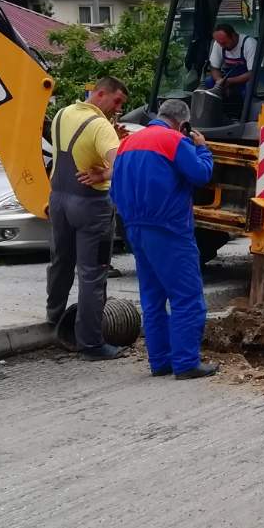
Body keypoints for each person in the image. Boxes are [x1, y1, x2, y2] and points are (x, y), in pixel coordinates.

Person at [110, 98, 218, 380]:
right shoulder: (173, 140)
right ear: (183, 123)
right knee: (187, 297)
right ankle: (185, 364)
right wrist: (203, 148)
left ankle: (160, 362)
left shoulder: (127, 144)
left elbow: (114, 189)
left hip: (135, 227)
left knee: (153, 297)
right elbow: (201, 174)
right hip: (169, 229)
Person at [44, 76, 129, 360]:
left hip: (58, 200)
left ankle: (53, 317)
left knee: (61, 260)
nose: (118, 109)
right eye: (116, 101)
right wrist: (103, 173)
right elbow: (122, 165)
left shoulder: (62, 113)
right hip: (91, 206)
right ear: (101, 94)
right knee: (93, 273)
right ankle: (91, 343)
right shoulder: (101, 126)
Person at [206, 23, 258, 115]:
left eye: (224, 43)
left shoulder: (249, 44)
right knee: (209, 82)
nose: (221, 46)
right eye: (219, 43)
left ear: (233, 36)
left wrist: (229, 82)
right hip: (230, 76)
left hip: (249, 79)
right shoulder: (219, 44)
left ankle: (247, 116)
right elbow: (214, 68)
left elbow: (253, 73)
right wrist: (219, 81)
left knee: (249, 90)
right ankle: (218, 115)